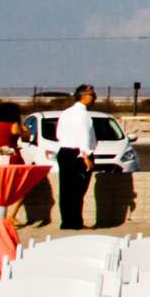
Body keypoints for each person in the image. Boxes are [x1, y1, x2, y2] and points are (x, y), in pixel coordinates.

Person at [52, 84, 97, 230]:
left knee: (66, 190)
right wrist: (86, 156)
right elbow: (84, 136)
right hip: (78, 154)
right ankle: (75, 222)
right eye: (92, 95)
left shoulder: (66, 113)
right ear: (83, 96)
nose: (94, 98)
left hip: (64, 152)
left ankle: (67, 221)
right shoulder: (82, 114)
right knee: (77, 190)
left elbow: (59, 134)